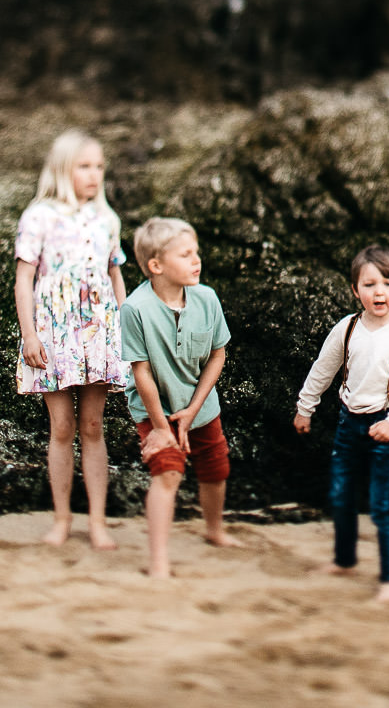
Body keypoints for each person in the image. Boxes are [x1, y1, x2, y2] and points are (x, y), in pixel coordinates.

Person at [293, 245, 389, 601]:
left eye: (387, 283)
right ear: (355, 290)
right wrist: (305, 408)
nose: (379, 292)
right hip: (348, 423)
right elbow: (323, 370)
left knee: (382, 504)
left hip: (386, 426)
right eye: (369, 285)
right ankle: (344, 560)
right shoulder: (348, 328)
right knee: (341, 495)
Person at [13, 129, 129, 550]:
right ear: (63, 169)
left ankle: (97, 521)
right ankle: (62, 518)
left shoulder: (106, 218)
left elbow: (115, 274)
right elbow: (24, 280)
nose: (94, 174)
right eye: (84, 166)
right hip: (53, 334)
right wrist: (29, 334)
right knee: (61, 427)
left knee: (93, 426)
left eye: (99, 166)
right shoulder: (39, 216)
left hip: (99, 332)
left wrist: (128, 328)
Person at [120, 216, 241, 578]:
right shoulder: (135, 308)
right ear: (156, 266)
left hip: (201, 405)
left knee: (215, 467)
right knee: (168, 472)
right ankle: (158, 559)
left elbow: (217, 354)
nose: (196, 260)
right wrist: (161, 428)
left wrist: (193, 410)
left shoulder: (207, 298)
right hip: (155, 409)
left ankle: (214, 530)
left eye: (196, 252)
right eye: (186, 254)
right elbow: (141, 371)